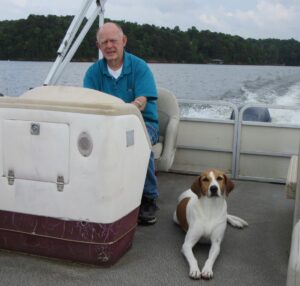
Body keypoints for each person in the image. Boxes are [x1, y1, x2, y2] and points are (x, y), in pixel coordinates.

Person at [83, 22, 159, 226]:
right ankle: (97, 192)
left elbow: (142, 101)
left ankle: (149, 198)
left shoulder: (140, 67)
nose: (109, 46)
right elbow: (89, 103)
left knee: (140, 146)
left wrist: (131, 107)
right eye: (104, 42)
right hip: (105, 127)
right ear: (98, 46)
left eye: (113, 41)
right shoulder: (93, 73)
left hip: (143, 123)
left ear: (123, 41)